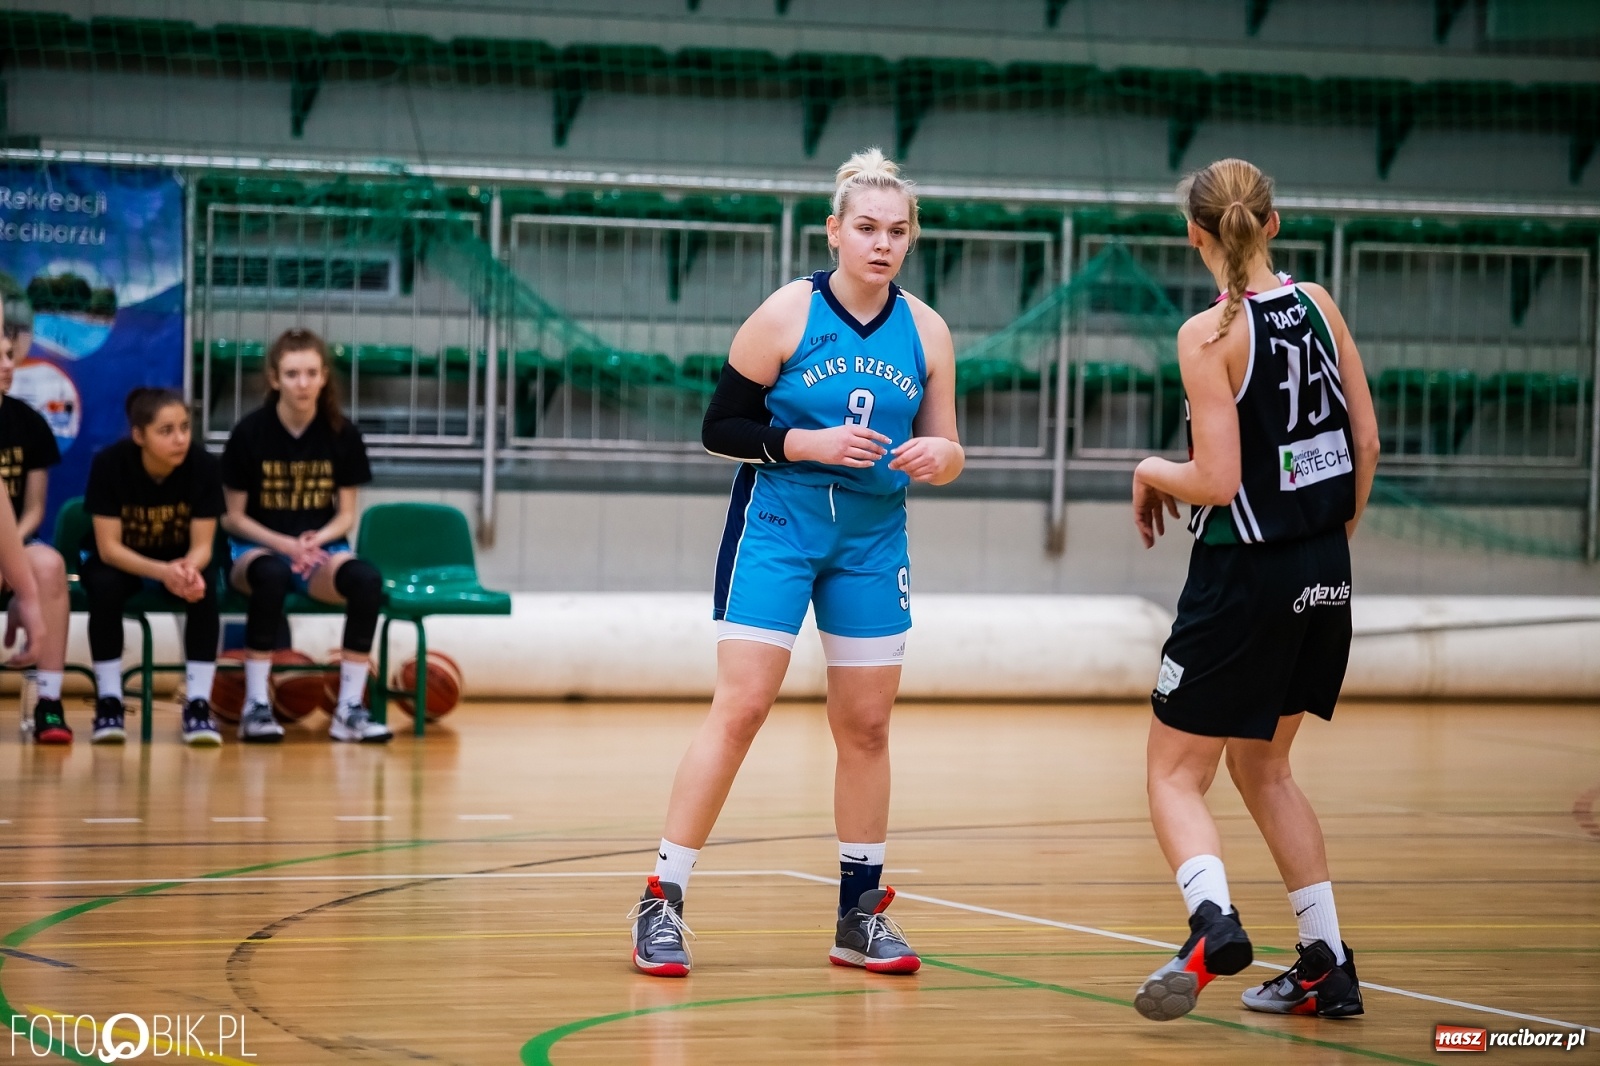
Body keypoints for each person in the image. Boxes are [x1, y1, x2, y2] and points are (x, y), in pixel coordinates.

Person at [629, 148, 964, 978]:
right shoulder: (786, 312)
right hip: (778, 524)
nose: (881, 244)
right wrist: (802, 442)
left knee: (867, 726)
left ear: (910, 240)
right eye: (866, 229)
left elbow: (952, 444)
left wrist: (937, 456)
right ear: (835, 232)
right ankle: (661, 898)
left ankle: (860, 914)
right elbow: (719, 428)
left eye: (896, 231)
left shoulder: (927, 330)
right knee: (742, 707)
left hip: (872, 539)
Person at [1128, 158, 1380, 1022]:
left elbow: (1216, 475)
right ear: (1272, 224)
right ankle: (1326, 962)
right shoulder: (1319, 304)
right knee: (1264, 766)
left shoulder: (1208, 334)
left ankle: (1211, 923)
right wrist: (1325, 547)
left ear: (1194, 236)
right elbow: (1366, 442)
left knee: (1172, 775)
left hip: (1245, 575)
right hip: (1324, 567)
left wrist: (1148, 468)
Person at [220, 327, 389, 744]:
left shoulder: (342, 434)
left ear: (324, 376)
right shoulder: (249, 434)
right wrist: (284, 545)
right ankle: (256, 704)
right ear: (275, 378)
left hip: (319, 552)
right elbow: (232, 518)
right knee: (272, 575)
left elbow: (346, 514)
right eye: (293, 374)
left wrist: (315, 542)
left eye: (311, 373)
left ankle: (348, 708)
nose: (303, 383)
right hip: (256, 547)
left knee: (366, 581)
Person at [82, 388, 225, 746]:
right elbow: (109, 548)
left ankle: (197, 703)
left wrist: (189, 571)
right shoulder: (110, 464)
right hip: (127, 561)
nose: (180, 439)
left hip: (180, 560)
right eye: (166, 431)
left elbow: (204, 545)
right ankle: (110, 700)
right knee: (104, 586)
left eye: (184, 427)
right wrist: (164, 572)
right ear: (138, 435)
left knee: (204, 589)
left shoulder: (204, 465)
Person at [0, 297, 73, 743]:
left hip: (15, 541)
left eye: (9, 354)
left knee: (48, 565)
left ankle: (49, 702)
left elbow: (29, 511)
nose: (6, 365)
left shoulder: (27, 423)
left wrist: (16, 575)